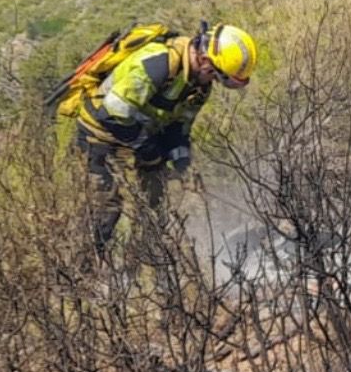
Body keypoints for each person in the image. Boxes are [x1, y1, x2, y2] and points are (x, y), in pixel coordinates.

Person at [63, 21, 257, 256]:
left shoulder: (199, 87)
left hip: (140, 134)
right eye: (216, 76)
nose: (214, 82)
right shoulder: (159, 64)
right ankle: (80, 273)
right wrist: (150, 151)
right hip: (101, 133)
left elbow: (178, 129)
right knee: (105, 210)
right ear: (206, 61)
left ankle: (140, 269)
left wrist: (183, 164)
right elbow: (111, 114)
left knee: (154, 208)